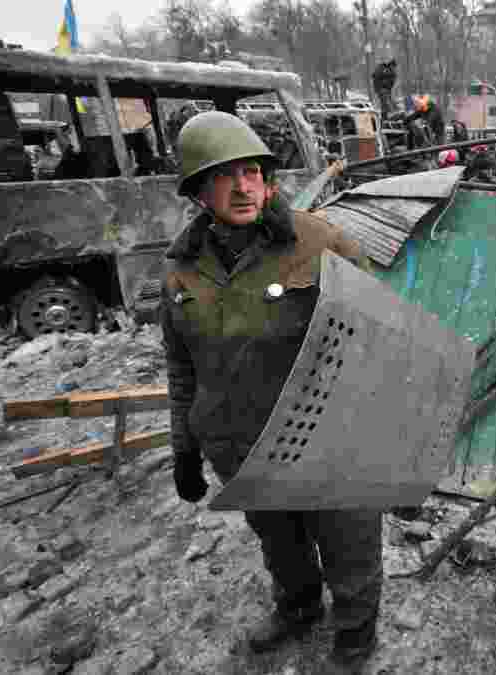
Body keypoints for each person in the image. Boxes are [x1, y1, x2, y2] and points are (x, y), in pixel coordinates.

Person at [160, 111, 381, 675]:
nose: (242, 186)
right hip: (239, 442)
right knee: (280, 542)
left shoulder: (316, 240)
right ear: (198, 192)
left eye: (252, 171)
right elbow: (182, 365)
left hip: (322, 436)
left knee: (347, 543)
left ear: (268, 179)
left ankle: (354, 639)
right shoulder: (182, 270)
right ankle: (299, 608)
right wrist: (184, 446)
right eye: (224, 175)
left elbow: (378, 325)